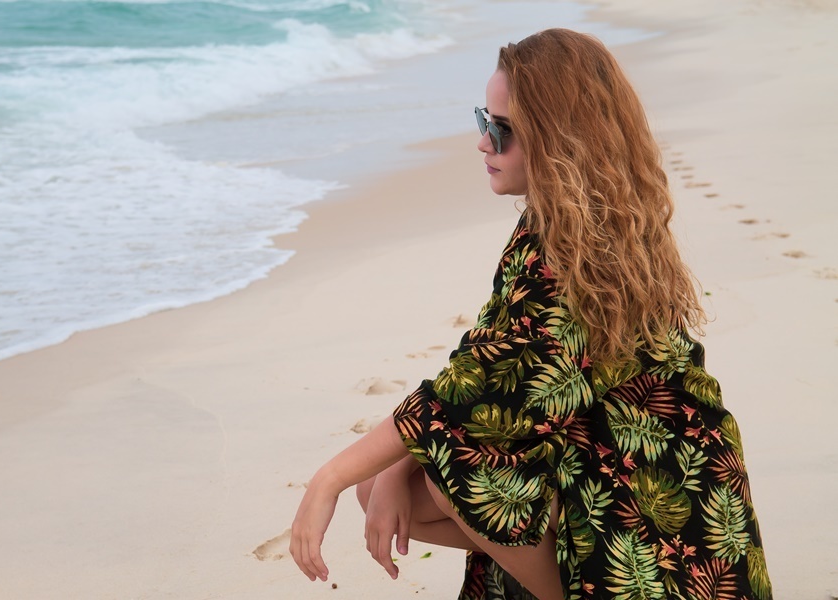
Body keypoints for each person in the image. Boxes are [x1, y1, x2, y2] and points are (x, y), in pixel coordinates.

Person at [290, 28, 772, 599]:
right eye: (483, 120)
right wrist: (391, 467)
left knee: (466, 475)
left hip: (664, 510)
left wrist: (328, 480)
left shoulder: (581, 255)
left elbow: (482, 398)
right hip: (610, 457)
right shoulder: (563, 222)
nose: (483, 142)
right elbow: (480, 365)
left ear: (559, 141)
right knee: (394, 480)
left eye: (502, 130)